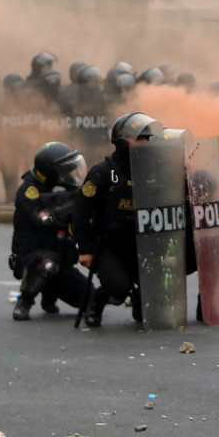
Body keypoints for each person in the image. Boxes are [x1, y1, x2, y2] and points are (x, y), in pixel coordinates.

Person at [71, 112, 159, 327]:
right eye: (139, 138)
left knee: (159, 282)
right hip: (109, 244)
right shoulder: (103, 173)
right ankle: (97, 302)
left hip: (142, 242)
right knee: (118, 288)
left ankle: (141, 301)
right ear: (122, 141)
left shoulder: (155, 171)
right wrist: (86, 249)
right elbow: (81, 212)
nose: (145, 144)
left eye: (148, 139)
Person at [9, 141, 90, 321]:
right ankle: (25, 301)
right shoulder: (28, 191)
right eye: (65, 171)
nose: (69, 175)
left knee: (89, 299)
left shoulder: (68, 189)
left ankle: (50, 294)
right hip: (31, 255)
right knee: (47, 264)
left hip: (61, 257)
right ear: (51, 172)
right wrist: (73, 204)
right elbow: (44, 218)